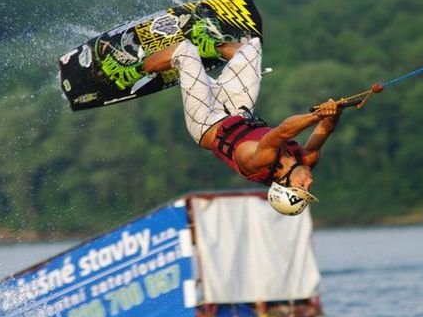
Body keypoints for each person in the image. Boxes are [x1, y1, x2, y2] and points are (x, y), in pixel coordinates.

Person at [100, 20, 342, 215]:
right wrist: (334, 111)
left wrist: (316, 115)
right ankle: (210, 47)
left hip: (206, 122)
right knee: (252, 48)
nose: (309, 183)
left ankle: (129, 72)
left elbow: (282, 132)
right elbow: (326, 129)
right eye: (307, 189)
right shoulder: (306, 159)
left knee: (185, 52)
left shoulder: (260, 163)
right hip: (238, 111)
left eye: (302, 188)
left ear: (284, 182)